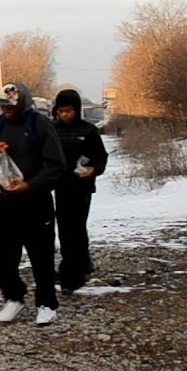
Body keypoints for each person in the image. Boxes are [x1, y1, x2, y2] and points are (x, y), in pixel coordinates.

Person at [0, 82, 66, 325]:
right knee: (3, 256)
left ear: (22, 104)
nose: (5, 110)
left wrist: (30, 185)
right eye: (2, 106)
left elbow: (56, 166)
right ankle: (13, 297)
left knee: (41, 257)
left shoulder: (40, 125)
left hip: (36, 201)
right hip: (7, 199)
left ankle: (47, 303)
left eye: (9, 106)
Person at [52, 89, 109, 292]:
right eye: (61, 111)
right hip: (60, 185)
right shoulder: (52, 130)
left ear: (76, 109)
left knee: (76, 226)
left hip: (82, 186)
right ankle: (77, 263)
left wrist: (93, 170)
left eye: (69, 111)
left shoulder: (89, 131)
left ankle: (74, 270)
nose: (65, 115)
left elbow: (101, 157)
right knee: (65, 227)